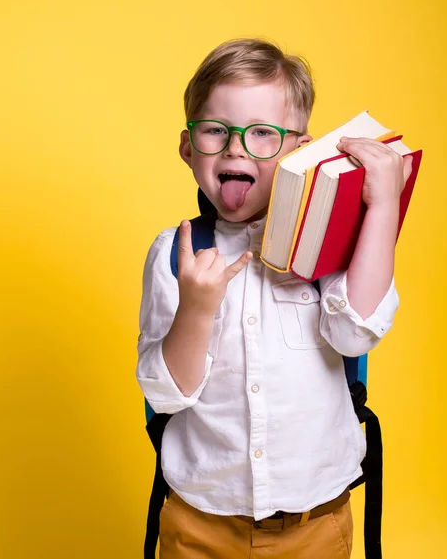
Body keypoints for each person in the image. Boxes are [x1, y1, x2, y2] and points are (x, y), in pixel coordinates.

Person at [136, 38, 412, 559]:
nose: (236, 148)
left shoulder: (328, 243)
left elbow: (355, 330)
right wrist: (196, 308)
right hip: (201, 518)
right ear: (188, 147)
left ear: (298, 150)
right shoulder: (175, 253)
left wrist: (382, 208)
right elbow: (167, 396)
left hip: (314, 521)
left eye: (263, 133)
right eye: (216, 130)